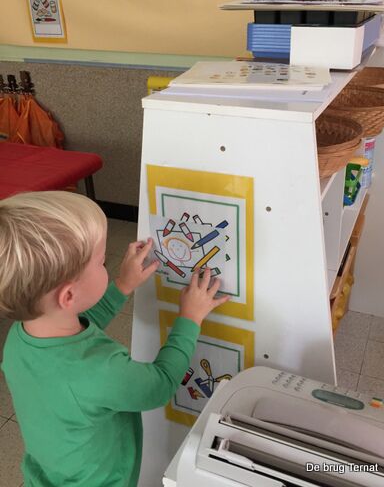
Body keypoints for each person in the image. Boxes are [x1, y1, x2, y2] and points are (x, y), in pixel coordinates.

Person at [0, 191, 229, 486]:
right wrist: (190, 318)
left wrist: (122, 285)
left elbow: (84, 320)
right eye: (102, 262)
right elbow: (160, 384)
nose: (107, 264)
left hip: (49, 475)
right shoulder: (99, 370)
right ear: (68, 295)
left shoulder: (20, 338)